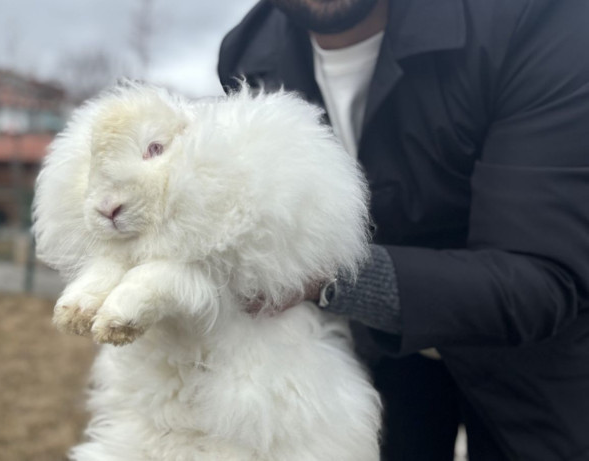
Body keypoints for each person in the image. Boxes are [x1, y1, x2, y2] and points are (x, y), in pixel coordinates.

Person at [218, 0, 589, 459]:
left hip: (537, 359)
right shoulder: (248, 54)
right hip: (376, 357)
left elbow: (540, 277)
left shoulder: (535, 16)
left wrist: (327, 275)